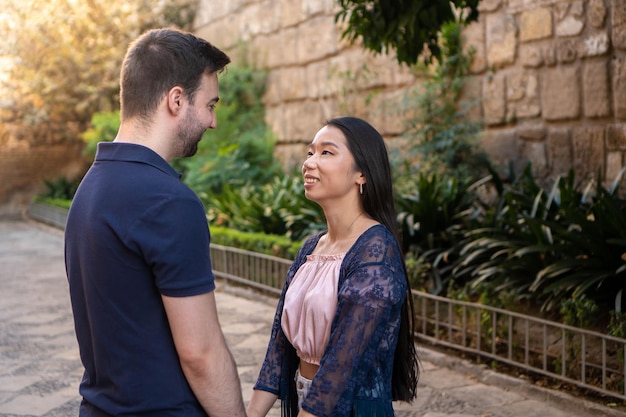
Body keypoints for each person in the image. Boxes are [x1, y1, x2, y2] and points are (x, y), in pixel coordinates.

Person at [64, 28, 246, 417]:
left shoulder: (90, 188)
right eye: (210, 104)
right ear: (176, 100)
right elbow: (201, 353)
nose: (213, 121)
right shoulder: (168, 202)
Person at [247, 116, 420, 417]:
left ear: (362, 174)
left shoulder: (376, 250)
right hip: (306, 402)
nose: (310, 162)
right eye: (310, 152)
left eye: (326, 152)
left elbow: (341, 368)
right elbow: (278, 351)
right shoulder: (312, 248)